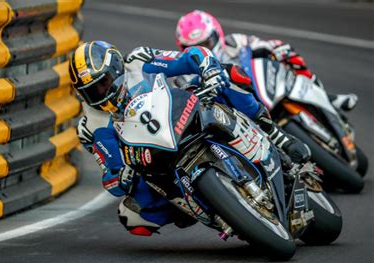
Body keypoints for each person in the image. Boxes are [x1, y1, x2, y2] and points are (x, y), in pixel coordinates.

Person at [69, 40, 310, 236]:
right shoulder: (90, 126)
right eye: (91, 92)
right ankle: (203, 208)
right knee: (131, 216)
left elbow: (188, 57)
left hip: (182, 113)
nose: (100, 94)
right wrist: (119, 176)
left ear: (116, 69)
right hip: (152, 159)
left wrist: (208, 68)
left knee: (229, 74)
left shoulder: (138, 61)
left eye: (103, 84)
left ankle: (273, 133)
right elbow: (110, 170)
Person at [175, 10, 358, 111]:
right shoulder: (188, 70)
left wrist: (270, 49)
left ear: (216, 33)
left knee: (283, 50)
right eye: (195, 47)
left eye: (207, 42)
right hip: (238, 109)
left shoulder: (234, 42)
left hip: (266, 84)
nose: (205, 49)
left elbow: (262, 44)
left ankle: (326, 96)